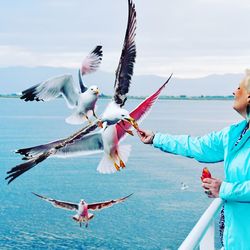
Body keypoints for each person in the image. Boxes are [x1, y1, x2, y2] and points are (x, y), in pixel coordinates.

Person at [137, 70, 250, 249]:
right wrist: (156, 138)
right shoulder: (234, 134)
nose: (234, 92)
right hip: (235, 240)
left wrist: (224, 188)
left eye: (238, 88)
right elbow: (196, 146)